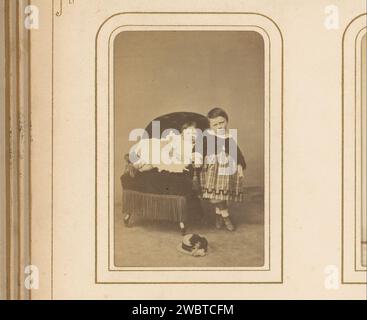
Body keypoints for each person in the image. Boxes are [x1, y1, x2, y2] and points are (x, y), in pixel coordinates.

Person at [199, 107, 246, 231]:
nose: (219, 126)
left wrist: (240, 164)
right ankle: (225, 216)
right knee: (215, 195)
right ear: (209, 126)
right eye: (215, 124)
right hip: (211, 170)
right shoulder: (206, 136)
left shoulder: (228, 137)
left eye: (222, 122)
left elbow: (237, 152)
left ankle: (218, 215)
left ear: (226, 121)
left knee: (221, 193)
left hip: (225, 169)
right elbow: (198, 150)